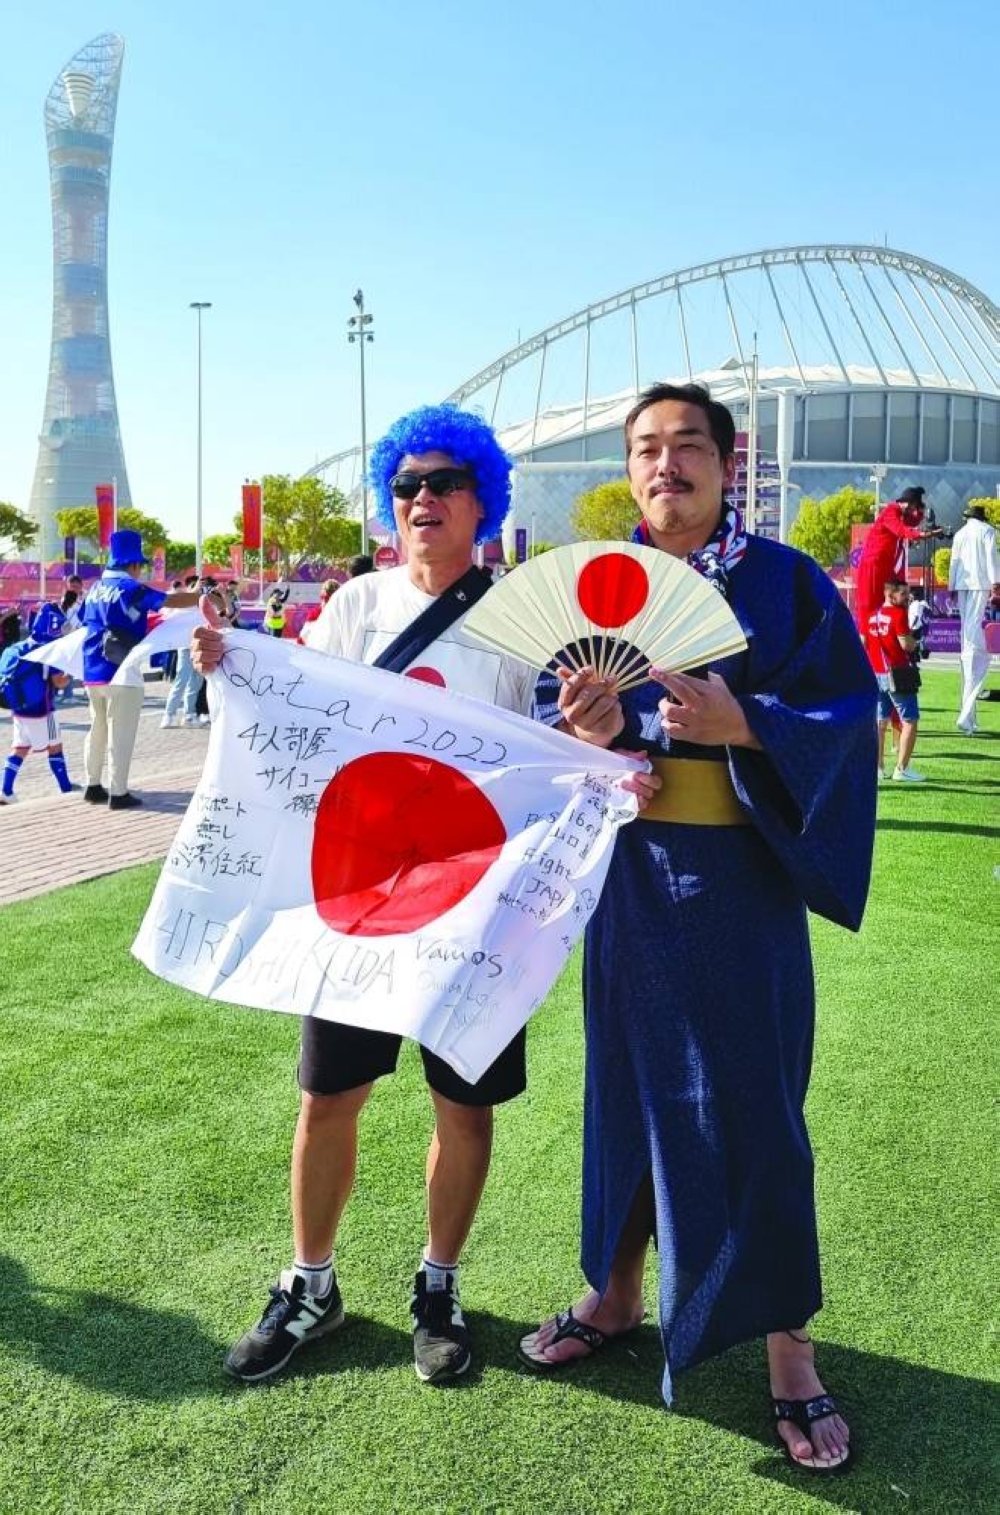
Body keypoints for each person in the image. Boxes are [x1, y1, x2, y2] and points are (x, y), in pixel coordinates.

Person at [517, 383, 877, 1477]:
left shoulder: (786, 582)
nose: (663, 464)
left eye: (686, 446)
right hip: (633, 877)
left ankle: (788, 1349)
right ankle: (616, 1293)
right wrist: (581, 732)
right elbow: (543, 724)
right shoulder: (597, 586)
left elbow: (846, 719)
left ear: (727, 464)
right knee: (625, 1086)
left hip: (740, 882)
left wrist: (746, 723)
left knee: (756, 1101)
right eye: (644, 449)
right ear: (627, 471)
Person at [192, 405, 548, 1387]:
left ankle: (439, 1284)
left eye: (444, 482)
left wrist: (597, 737)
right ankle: (310, 1283)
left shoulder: (521, 621)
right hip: (363, 889)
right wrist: (231, 666)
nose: (422, 499)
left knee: (462, 1103)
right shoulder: (356, 604)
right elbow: (294, 702)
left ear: (482, 500)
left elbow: (551, 751)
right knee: (328, 1095)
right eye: (405, 485)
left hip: (474, 899)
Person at [81, 529, 199, 808]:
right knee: (120, 734)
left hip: (92, 669)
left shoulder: (95, 588)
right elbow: (172, 601)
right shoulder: (132, 589)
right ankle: (118, 793)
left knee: (97, 729)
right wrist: (199, 595)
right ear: (133, 563)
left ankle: (92, 786)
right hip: (122, 669)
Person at [0, 604, 77, 804]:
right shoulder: (49, 651)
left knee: (20, 748)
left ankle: (5, 790)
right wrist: (71, 672)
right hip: (43, 709)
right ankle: (66, 789)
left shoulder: (19, 647)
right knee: (55, 747)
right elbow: (59, 682)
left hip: (19, 708)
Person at [853, 486, 943, 635]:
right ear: (907, 503)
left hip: (884, 566)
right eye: (914, 506)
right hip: (873, 564)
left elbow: (913, 522)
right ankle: (864, 639)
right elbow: (901, 531)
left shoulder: (901, 514)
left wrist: (921, 510)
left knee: (884, 602)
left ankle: (880, 637)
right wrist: (925, 534)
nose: (914, 510)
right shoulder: (891, 511)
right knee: (869, 603)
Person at [948, 504, 1000, 733]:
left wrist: (951, 584)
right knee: (971, 635)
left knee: (968, 634)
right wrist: (996, 583)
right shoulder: (987, 531)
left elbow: (954, 561)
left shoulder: (960, 534)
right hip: (980, 582)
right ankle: (967, 716)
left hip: (963, 583)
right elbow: (991, 558)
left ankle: (968, 716)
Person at [865, 581, 925, 781]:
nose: (908, 597)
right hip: (897, 674)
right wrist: (916, 640)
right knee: (910, 720)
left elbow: (864, 643)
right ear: (890, 595)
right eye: (903, 594)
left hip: (876, 673)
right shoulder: (898, 614)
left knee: (880, 721)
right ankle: (902, 769)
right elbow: (906, 645)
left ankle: (878, 767)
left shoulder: (871, 616)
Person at [161, 576, 205, 728]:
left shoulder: (202, 603)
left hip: (199, 647)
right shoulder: (183, 603)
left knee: (196, 683)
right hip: (186, 647)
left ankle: (189, 716)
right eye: (196, 586)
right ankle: (169, 715)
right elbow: (168, 611)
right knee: (181, 680)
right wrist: (194, 590)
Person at [297, 579, 339, 645]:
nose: (324, 601)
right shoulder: (341, 613)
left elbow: (301, 639)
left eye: (325, 598)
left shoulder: (316, 612)